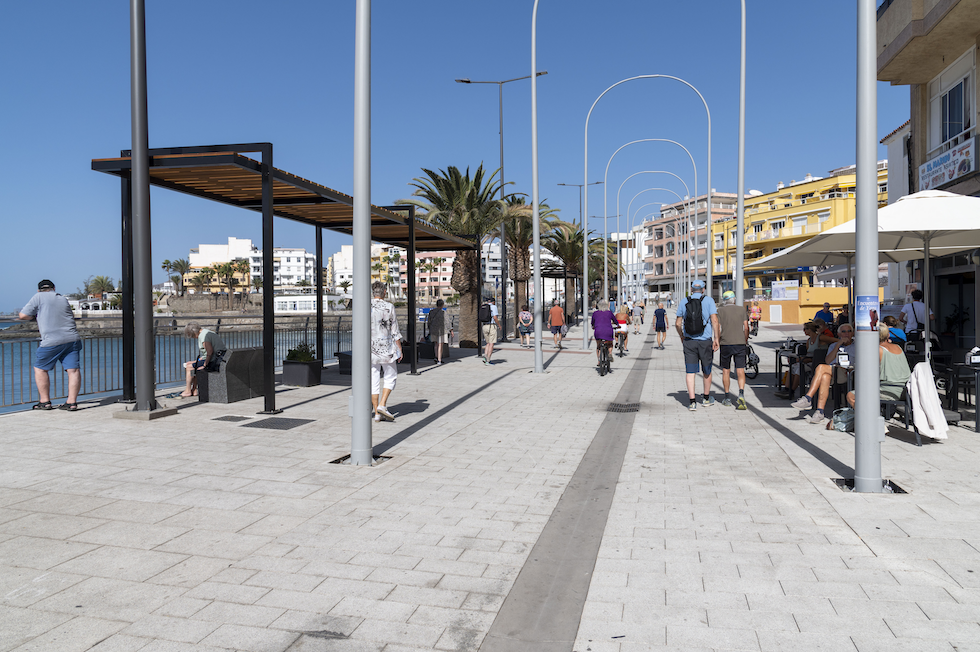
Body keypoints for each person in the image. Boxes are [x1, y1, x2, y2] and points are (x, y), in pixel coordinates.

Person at [18, 279, 83, 411]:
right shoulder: (62, 298)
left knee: (40, 369)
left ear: (38, 290)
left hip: (52, 340)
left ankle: (45, 401)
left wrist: (35, 316)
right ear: (54, 288)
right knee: (73, 370)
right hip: (72, 338)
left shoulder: (38, 297)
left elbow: (22, 315)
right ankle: (71, 402)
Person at [791, 324, 854, 425]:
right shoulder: (834, 346)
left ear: (853, 333)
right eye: (843, 331)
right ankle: (820, 412)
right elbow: (828, 361)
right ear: (838, 334)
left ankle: (808, 398)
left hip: (847, 372)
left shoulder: (856, 346)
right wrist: (838, 345)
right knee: (824, 376)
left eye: (849, 331)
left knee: (820, 367)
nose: (846, 333)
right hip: (832, 371)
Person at [675, 279, 719, 410]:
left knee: (690, 372)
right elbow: (715, 321)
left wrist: (682, 335)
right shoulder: (709, 301)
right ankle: (706, 398)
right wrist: (716, 338)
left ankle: (692, 401)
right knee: (707, 370)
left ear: (692, 289)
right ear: (704, 289)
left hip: (689, 341)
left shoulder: (684, 301)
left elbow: (677, 323)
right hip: (705, 341)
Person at [843, 327, 912, 408]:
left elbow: (866, 372)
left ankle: (865, 418)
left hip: (889, 390)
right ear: (888, 335)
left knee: (850, 396)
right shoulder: (898, 347)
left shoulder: (877, 350)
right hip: (907, 389)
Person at [371, 281, 403, 421]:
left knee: (373, 378)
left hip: (370, 348)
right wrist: (399, 348)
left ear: (373, 292)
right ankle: (382, 405)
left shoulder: (366, 306)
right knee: (391, 376)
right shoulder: (389, 307)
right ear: (384, 292)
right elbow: (394, 330)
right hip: (387, 348)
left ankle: (377, 414)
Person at [716, 290, 749, 410]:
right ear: (734, 299)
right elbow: (746, 327)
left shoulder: (720, 311)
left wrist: (718, 340)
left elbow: (718, 328)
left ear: (725, 300)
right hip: (740, 343)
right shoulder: (741, 310)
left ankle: (727, 397)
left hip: (726, 343)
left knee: (726, 371)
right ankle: (741, 394)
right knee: (740, 370)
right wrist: (745, 339)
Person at [181, 323, 227, 398]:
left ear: (193, 332)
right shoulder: (207, 332)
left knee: (189, 367)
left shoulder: (203, 336)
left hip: (214, 362)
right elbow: (208, 353)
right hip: (220, 359)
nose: (191, 337)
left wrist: (204, 365)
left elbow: (210, 352)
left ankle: (188, 390)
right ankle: (194, 390)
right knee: (191, 364)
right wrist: (196, 361)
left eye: (190, 335)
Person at [590, 300, 619, 368]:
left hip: (598, 331)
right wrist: (617, 324)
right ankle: (610, 353)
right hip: (608, 331)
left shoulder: (595, 313)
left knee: (598, 346)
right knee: (610, 343)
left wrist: (593, 326)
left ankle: (599, 361)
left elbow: (592, 323)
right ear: (606, 306)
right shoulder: (609, 313)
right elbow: (615, 320)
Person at [428, 299, 449, 365]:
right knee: (440, 345)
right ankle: (439, 360)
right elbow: (447, 322)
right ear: (442, 305)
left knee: (436, 344)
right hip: (441, 330)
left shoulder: (432, 312)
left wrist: (429, 329)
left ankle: (436, 357)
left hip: (433, 330)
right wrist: (451, 330)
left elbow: (429, 321)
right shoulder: (443, 312)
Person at [481, 296, 500, 365]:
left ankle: (485, 356)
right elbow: (495, 317)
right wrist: (499, 325)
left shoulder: (484, 306)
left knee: (488, 343)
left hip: (484, 326)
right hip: (491, 326)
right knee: (491, 343)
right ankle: (488, 360)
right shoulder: (494, 307)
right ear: (493, 301)